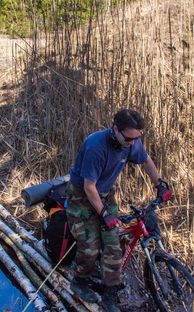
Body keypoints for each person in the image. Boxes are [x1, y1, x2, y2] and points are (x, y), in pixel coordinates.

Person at [66, 109, 172, 312]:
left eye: (137, 138)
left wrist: (159, 184)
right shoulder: (96, 147)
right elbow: (89, 187)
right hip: (81, 196)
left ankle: (109, 295)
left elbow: (146, 160)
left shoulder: (131, 140)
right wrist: (105, 215)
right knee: (90, 247)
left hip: (105, 192)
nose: (133, 143)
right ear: (116, 129)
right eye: (129, 138)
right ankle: (79, 282)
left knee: (113, 244)